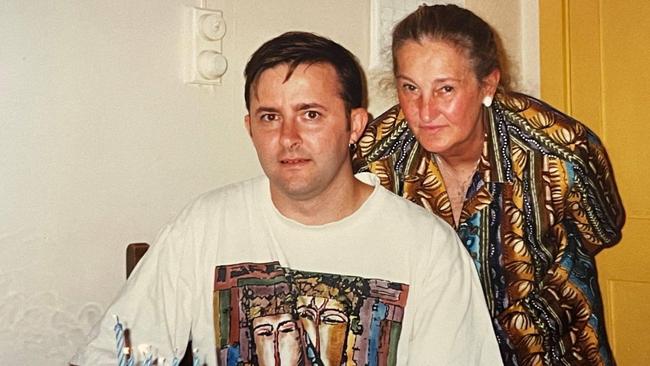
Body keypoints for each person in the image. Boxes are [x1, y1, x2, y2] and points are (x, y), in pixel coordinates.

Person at [71, 31, 501, 366]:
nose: (288, 138)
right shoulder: (205, 225)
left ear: (355, 126)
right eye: (270, 117)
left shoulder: (427, 248)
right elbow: (115, 352)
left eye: (310, 114)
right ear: (250, 129)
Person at [353, 4, 625, 366]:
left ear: (488, 84)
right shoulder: (376, 157)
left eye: (445, 88)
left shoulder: (560, 151)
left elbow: (601, 229)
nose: (425, 110)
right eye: (410, 88)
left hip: (550, 352)